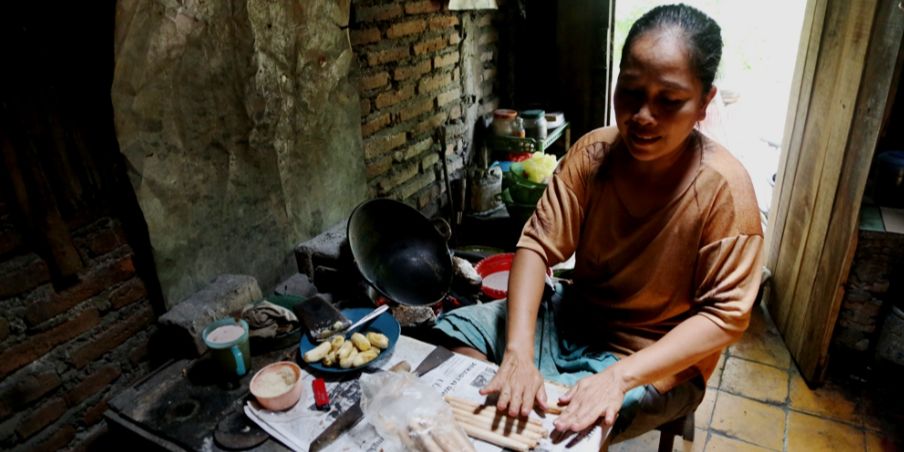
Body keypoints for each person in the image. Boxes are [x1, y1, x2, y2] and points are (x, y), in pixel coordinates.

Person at [434, 3, 764, 442]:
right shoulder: (593, 155)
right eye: (629, 91)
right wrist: (516, 353)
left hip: (656, 355)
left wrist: (620, 378)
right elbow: (535, 246)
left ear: (704, 103)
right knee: (455, 348)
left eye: (669, 100)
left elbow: (725, 318)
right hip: (574, 317)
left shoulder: (724, 191)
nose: (643, 116)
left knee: (560, 425)